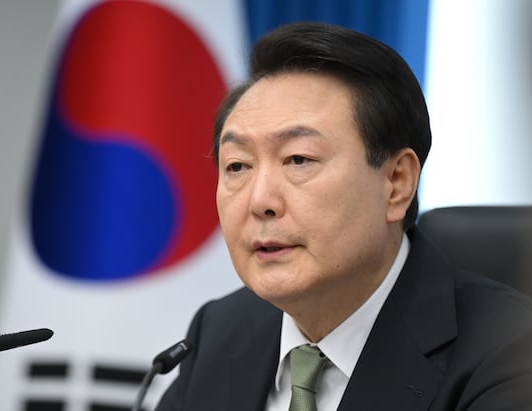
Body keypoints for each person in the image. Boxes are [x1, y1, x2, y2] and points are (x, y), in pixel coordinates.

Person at [155, 22, 532, 410]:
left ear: (396, 183)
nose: (260, 201)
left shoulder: (510, 355)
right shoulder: (217, 333)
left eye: (298, 159)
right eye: (237, 166)